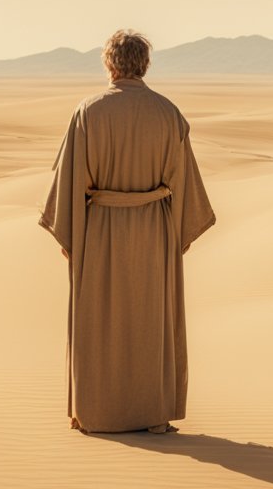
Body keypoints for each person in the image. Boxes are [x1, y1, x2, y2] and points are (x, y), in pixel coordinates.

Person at [39, 29, 216, 435]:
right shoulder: (168, 114)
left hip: (100, 230)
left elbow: (71, 183)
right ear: (145, 64)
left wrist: (71, 237)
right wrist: (176, 236)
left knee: (98, 321)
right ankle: (152, 414)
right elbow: (185, 184)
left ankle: (95, 413)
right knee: (152, 320)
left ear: (110, 64)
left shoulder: (89, 112)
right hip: (154, 230)